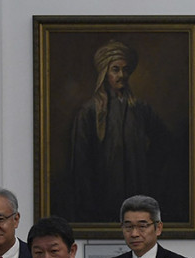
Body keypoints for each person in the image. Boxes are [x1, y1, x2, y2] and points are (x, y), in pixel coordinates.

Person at [69, 40, 171, 222]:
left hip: (138, 194)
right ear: (104, 73)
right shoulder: (89, 112)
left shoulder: (141, 109)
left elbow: (164, 142)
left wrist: (146, 167)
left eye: (125, 70)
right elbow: (81, 164)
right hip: (103, 197)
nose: (121, 75)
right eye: (115, 69)